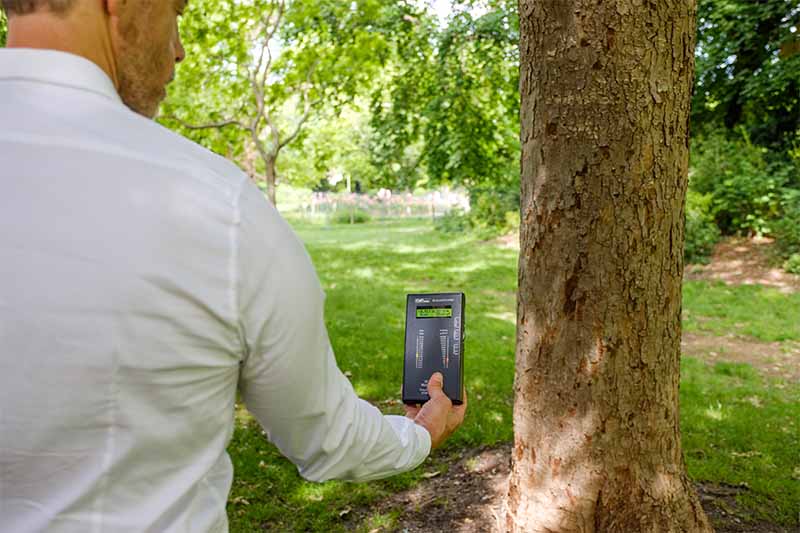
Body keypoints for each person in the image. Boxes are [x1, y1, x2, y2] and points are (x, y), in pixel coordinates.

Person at [0, 1, 467, 531]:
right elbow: (326, 438)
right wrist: (421, 433)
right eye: (175, 12)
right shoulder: (219, 210)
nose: (177, 49)